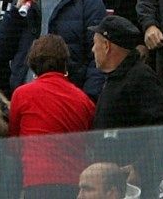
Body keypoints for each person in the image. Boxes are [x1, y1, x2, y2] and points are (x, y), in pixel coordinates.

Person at [7, 34, 96, 199]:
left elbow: (14, 145)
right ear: (64, 63)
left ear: (33, 64)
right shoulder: (83, 99)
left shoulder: (21, 94)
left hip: (36, 181)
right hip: (73, 182)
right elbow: (90, 141)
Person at [87, 14, 163, 133]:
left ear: (106, 46)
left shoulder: (140, 78)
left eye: (95, 43)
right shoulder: (115, 78)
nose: (93, 49)